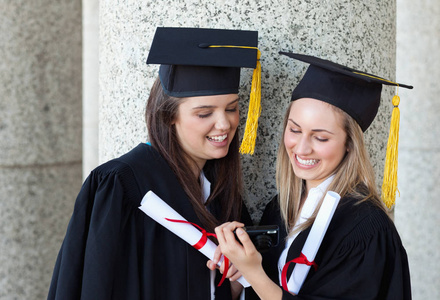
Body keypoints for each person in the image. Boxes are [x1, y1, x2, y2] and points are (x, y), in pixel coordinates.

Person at [47, 27, 262, 300]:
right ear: (168, 116)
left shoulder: (220, 193)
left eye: (231, 108)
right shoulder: (120, 187)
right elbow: (96, 288)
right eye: (204, 113)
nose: (225, 124)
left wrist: (234, 282)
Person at [209, 53, 413, 299]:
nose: (302, 148)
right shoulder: (281, 207)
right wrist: (237, 274)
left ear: (350, 144)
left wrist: (255, 274)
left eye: (320, 137)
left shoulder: (366, 229)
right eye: (295, 130)